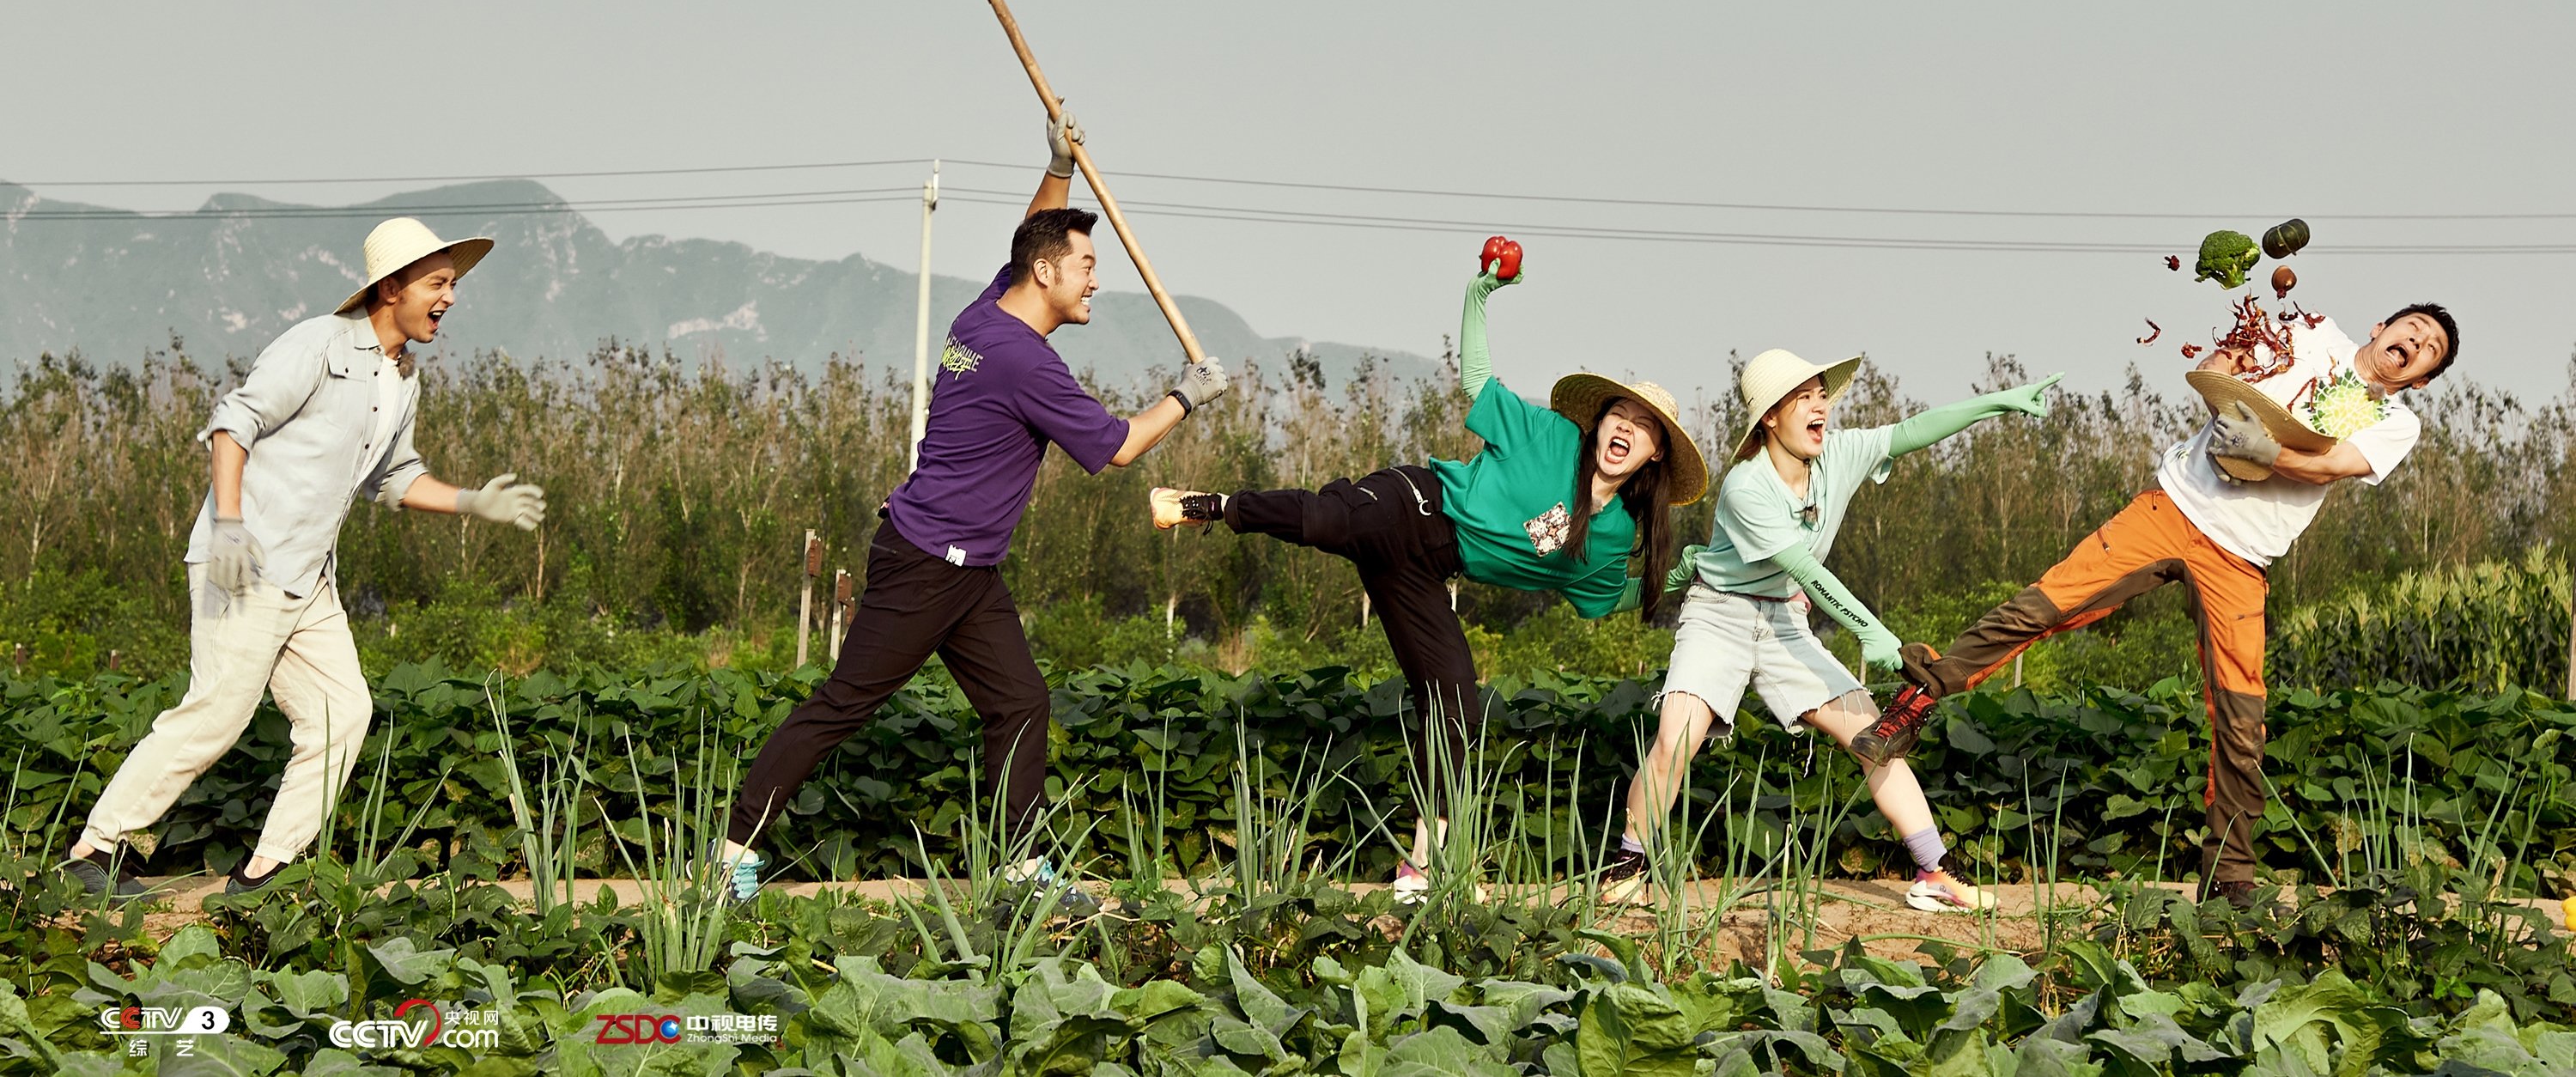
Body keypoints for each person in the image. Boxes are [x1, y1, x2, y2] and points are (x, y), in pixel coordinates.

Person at [714, 115, 1229, 904]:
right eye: (1086, 266)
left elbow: (1029, 239)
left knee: (1020, 701)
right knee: (843, 704)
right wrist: (1188, 394)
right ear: (1048, 274)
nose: (1095, 281)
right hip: (928, 563)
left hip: (967, 568)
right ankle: (729, 857)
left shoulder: (984, 315)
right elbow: (1120, 447)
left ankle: (1020, 872)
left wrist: (1057, 166)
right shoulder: (1024, 361)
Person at [1854, 305, 2458, 905]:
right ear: (2382, 327)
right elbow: (2219, 366)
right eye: (2413, 327)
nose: (2416, 341)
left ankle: (2229, 877)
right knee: (2044, 605)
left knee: (2241, 715)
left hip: (2243, 557)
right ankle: (1914, 703)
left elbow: (2330, 464)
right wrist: (2225, 408)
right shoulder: (2307, 332)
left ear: (2423, 379)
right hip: (2173, 508)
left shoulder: (2395, 422)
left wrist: (2268, 455)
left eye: (2429, 348)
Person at [1150, 253, 1706, 900]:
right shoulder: (1551, 436)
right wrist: (1479, 295)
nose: (1627, 428)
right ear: (1601, 421)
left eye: (1644, 427)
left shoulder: (1611, 537)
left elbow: (1609, 598)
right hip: (1414, 503)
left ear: (1654, 453)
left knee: (1455, 703)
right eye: (1620, 415)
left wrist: (1681, 574)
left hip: (1428, 571)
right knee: (1330, 520)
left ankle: (1422, 867)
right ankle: (1206, 505)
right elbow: (1478, 379)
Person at [60, 217, 548, 900]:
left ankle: (263, 872)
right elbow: (233, 425)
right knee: (215, 714)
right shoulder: (318, 343)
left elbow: (394, 476)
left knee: (341, 712)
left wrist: (472, 501)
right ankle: (92, 850)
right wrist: (229, 526)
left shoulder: (402, 376)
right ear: (391, 288)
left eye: (452, 284)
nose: (450, 296)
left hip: (309, 578)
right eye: (438, 283)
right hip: (247, 562)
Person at [1605, 350, 2060, 911]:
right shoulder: (1747, 486)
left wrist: (1998, 402)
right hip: (1719, 615)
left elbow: (1913, 431)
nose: (1820, 405)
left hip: (1784, 618)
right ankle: (1626, 866)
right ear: (1770, 416)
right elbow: (1808, 571)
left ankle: (1935, 872)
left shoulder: (1838, 454)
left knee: (1874, 733)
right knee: (1677, 739)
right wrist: (1875, 633)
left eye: (1822, 393)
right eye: (1803, 396)